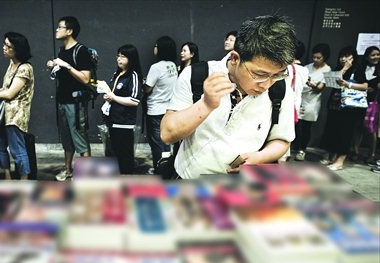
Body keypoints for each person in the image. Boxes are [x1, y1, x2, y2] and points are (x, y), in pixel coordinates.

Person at [161, 15, 296, 179]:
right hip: (188, 180)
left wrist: (259, 157)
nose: (267, 84)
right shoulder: (197, 75)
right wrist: (206, 104)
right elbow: (168, 135)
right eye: (259, 74)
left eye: (277, 75)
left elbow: (281, 140)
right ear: (235, 58)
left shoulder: (281, 91)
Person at [46, 16, 92, 181]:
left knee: (79, 137)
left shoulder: (81, 51)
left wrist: (67, 66)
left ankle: (85, 174)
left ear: (70, 31)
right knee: (66, 138)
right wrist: (55, 66)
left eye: (60, 27)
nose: (57, 30)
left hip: (76, 102)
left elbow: (85, 78)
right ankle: (68, 170)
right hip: (62, 100)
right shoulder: (62, 51)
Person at [0, 32, 34, 180]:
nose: (3, 48)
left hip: (16, 115)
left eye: (7, 46)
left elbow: (10, 94)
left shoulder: (24, 68)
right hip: (6, 114)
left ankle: (24, 180)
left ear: (17, 49)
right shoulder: (12, 64)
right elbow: (6, 88)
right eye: (4, 44)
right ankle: (8, 175)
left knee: (17, 150)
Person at [321, 46, 367, 171]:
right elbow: (331, 82)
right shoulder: (338, 68)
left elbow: (365, 86)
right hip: (335, 105)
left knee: (345, 134)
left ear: (353, 57)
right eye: (341, 56)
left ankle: (340, 161)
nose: (343, 59)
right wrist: (344, 69)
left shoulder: (358, 69)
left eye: (346, 56)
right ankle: (332, 158)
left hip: (349, 108)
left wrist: (348, 84)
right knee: (333, 132)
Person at [102, 44, 143, 174]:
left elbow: (134, 101)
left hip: (124, 122)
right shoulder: (117, 74)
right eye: (118, 56)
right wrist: (109, 97)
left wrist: (113, 97)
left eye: (123, 57)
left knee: (125, 156)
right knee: (115, 153)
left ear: (131, 58)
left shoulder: (134, 76)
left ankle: (126, 180)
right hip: (112, 120)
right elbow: (115, 94)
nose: (119, 59)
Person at [144, 36, 178, 174]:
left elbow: (147, 88)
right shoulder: (172, 65)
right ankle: (167, 167)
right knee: (167, 142)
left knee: (157, 143)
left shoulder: (156, 67)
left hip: (155, 109)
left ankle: (159, 168)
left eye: (156, 46)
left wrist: (145, 82)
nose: (154, 48)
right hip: (168, 108)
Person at [294, 43, 331, 161]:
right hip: (301, 98)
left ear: (325, 57)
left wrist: (311, 84)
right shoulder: (307, 67)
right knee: (296, 124)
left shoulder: (327, 69)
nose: (315, 60)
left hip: (313, 101)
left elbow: (321, 87)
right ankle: (294, 147)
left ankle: (302, 150)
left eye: (318, 58)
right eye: (314, 57)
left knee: (306, 127)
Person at [353, 46, 379, 166]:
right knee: (358, 126)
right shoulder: (360, 68)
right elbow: (357, 81)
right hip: (359, 100)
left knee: (371, 128)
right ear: (367, 56)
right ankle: (355, 151)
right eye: (373, 55)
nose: (376, 57)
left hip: (374, 101)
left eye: (378, 54)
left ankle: (372, 154)